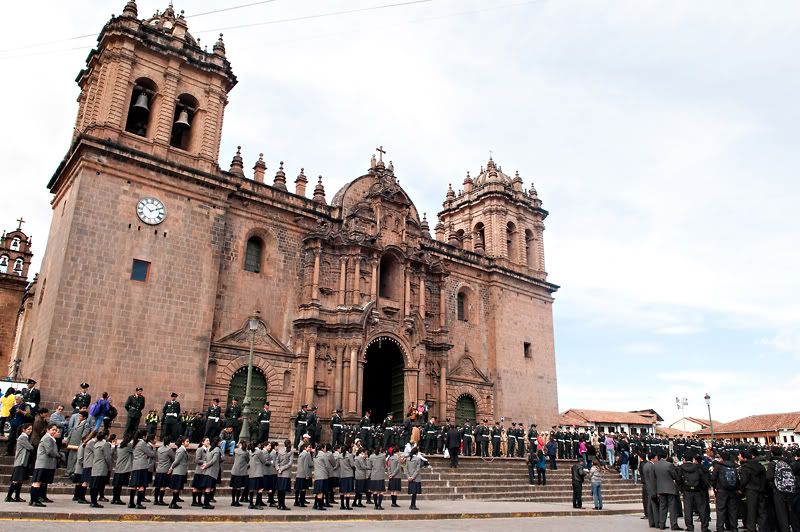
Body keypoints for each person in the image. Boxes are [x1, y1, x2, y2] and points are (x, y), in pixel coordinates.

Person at [29, 423, 60, 507]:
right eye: (53, 430)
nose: (55, 431)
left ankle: (34, 500)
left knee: (38, 482)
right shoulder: (47, 438)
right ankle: (35, 500)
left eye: (56, 430)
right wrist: (58, 455)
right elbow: (49, 451)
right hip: (43, 464)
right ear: (48, 430)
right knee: (37, 482)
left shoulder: (50, 438)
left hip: (44, 464)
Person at [679, 454, 710, 532]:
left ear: (684, 459)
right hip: (698, 490)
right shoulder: (697, 467)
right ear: (692, 459)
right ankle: (704, 527)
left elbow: (678, 478)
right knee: (702, 509)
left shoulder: (681, 467)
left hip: (687, 490)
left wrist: (682, 489)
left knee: (687, 509)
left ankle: (689, 527)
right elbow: (703, 478)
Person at [739, 449, 768, 532]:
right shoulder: (760, 466)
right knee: (762, 511)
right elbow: (764, 479)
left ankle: (751, 529)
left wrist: (741, 489)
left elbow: (744, 481)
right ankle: (763, 529)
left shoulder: (745, 467)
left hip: (751, 490)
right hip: (761, 490)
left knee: (751, 511)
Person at [711, 450, 740, 532]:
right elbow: (737, 479)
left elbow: (713, 478)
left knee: (721, 509)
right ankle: (734, 527)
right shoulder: (733, 466)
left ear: (721, 458)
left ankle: (720, 528)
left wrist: (715, 487)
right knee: (732, 509)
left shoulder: (718, 466)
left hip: (721, 490)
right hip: (732, 490)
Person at [6, 423, 33, 503]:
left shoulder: (26, 437)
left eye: (31, 429)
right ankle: (8, 496)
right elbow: (30, 447)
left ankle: (17, 496)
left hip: (23, 461)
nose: (30, 431)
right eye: (28, 429)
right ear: (23, 430)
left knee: (20, 480)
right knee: (16, 480)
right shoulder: (22, 438)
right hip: (20, 462)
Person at [128, 431, 155, 509]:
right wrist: (153, 448)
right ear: (143, 436)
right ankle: (138, 503)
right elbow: (151, 454)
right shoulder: (142, 443)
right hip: (142, 465)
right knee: (141, 485)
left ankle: (131, 502)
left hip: (135, 465)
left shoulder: (133, 442)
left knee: (134, 485)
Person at [653, 452, 680, 530]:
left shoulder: (655, 465)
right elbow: (674, 476)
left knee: (662, 507)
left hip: (660, 488)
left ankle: (661, 524)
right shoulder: (669, 465)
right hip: (670, 488)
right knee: (672, 507)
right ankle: (674, 524)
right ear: (666, 456)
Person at [89, 432, 113, 508]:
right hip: (102, 466)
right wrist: (110, 466)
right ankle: (94, 502)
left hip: (95, 466)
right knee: (97, 485)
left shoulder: (96, 444)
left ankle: (93, 501)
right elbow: (107, 457)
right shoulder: (105, 444)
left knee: (93, 485)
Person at [167, 436, 190, 509]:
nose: (188, 443)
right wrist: (171, 468)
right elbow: (176, 461)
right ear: (183, 442)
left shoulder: (183, 450)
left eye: (188, 441)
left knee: (178, 487)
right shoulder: (181, 450)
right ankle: (173, 503)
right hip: (178, 471)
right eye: (187, 441)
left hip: (181, 471)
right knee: (176, 487)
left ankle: (174, 502)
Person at [197, 437, 220, 510]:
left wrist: (205, 464)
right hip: (212, 471)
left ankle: (205, 503)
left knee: (208, 487)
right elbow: (214, 460)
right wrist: (206, 465)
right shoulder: (216, 449)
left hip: (207, 471)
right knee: (209, 488)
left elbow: (206, 458)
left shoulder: (210, 449)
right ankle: (206, 504)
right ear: (218, 442)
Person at [110, 435, 133, 505]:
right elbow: (134, 450)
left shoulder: (119, 446)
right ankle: (117, 499)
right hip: (124, 468)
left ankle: (114, 498)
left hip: (118, 467)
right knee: (119, 485)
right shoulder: (128, 446)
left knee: (116, 485)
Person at [152, 436, 175, 506]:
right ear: (169, 442)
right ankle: (160, 500)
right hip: (165, 469)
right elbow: (173, 459)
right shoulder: (169, 450)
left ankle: (155, 500)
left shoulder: (159, 449)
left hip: (159, 469)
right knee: (163, 486)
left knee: (157, 486)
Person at [275, 439, 293, 511]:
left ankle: (279, 505)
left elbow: (276, 461)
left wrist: (278, 468)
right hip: (286, 473)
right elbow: (290, 463)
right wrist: (282, 469)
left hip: (279, 473)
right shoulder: (290, 452)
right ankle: (282, 505)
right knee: (283, 491)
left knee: (279, 490)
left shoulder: (280, 451)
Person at [247, 441, 266, 509]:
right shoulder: (259, 452)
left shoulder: (249, 452)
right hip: (258, 473)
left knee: (251, 489)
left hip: (251, 472)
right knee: (260, 489)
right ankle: (257, 504)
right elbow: (263, 461)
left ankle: (251, 504)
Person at [368, 446, 387, 510]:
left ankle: (376, 505)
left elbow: (369, 466)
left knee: (374, 491)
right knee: (381, 491)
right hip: (381, 475)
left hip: (374, 475)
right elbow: (385, 465)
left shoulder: (371, 456)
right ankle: (379, 505)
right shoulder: (383, 456)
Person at [295, 442, 313, 507]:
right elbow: (306, 465)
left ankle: (296, 501)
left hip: (299, 473)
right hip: (304, 473)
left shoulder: (301, 454)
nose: (310, 449)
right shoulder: (307, 454)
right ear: (305, 448)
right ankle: (301, 502)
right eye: (309, 447)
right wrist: (307, 475)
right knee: (303, 488)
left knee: (298, 488)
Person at [312, 443, 330, 510]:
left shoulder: (315, 455)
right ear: (322, 448)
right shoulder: (323, 455)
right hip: (323, 475)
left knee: (318, 491)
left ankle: (315, 504)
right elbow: (327, 465)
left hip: (317, 475)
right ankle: (320, 506)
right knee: (321, 491)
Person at [338, 444, 355, 510]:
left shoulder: (339, 456)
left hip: (342, 474)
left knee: (342, 491)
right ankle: (347, 506)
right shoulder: (349, 456)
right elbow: (352, 465)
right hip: (349, 474)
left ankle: (342, 505)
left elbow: (337, 465)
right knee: (348, 491)